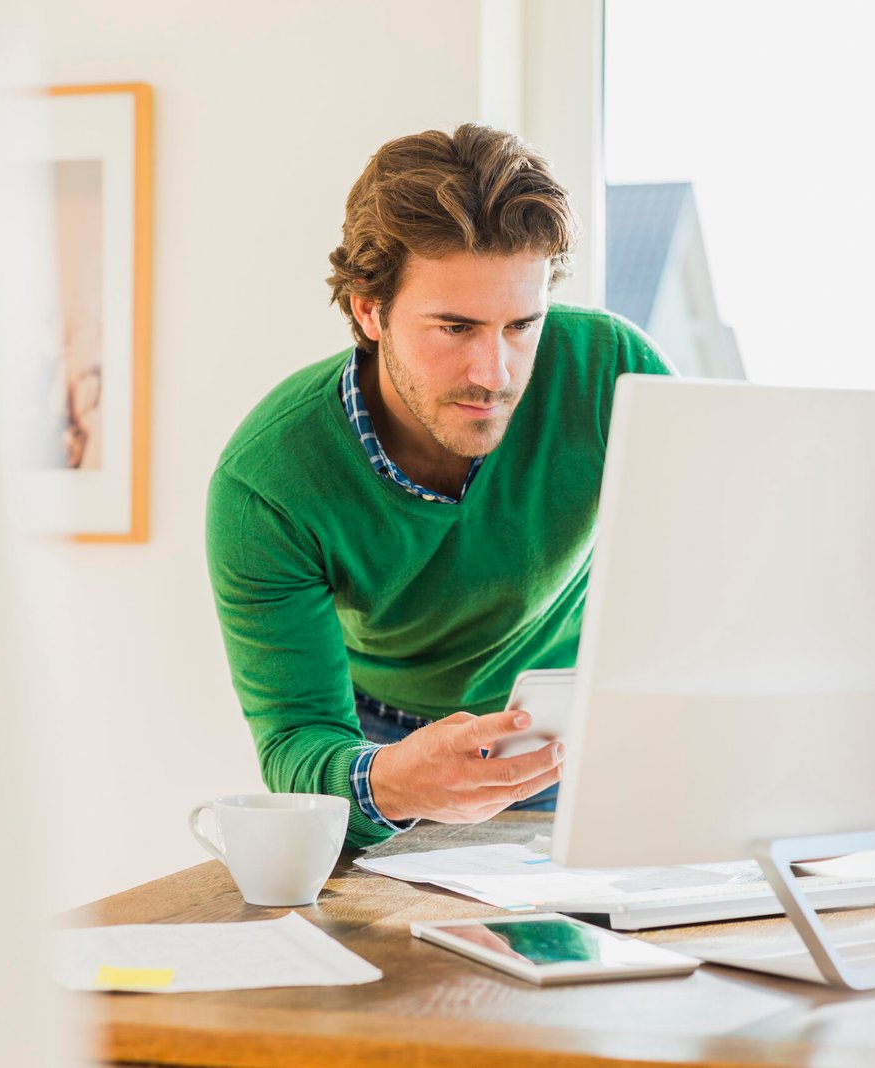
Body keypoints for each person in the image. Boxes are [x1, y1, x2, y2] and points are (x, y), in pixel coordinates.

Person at [206, 124, 672, 848]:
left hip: (571, 729)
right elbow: (298, 740)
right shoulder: (265, 483)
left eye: (523, 324)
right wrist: (389, 782)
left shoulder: (611, 367)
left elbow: (714, 560)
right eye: (455, 327)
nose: (496, 373)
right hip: (384, 743)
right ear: (369, 309)